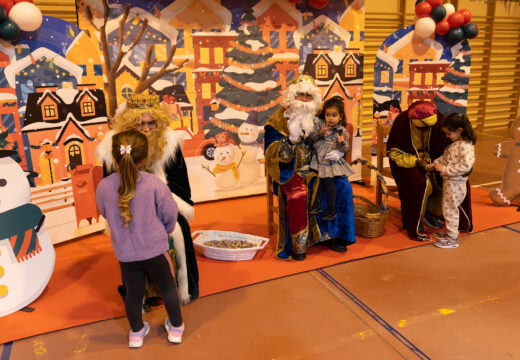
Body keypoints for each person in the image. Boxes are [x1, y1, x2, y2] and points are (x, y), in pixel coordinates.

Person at [96, 93, 198, 305]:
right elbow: (110, 189)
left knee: (181, 228)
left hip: (166, 201)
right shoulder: (112, 145)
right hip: (129, 207)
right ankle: (140, 293)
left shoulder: (170, 142)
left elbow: (180, 181)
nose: (146, 129)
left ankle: (181, 286)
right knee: (129, 230)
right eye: (139, 124)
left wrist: (162, 204)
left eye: (151, 123)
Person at [95, 130, 184, 347]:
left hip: (126, 255)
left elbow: (105, 212)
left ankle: (136, 333)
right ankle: (176, 328)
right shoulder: (154, 183)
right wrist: (166, 230)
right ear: (144, 158)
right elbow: (171, 213)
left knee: (133, 294)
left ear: (114, 156)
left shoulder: (103, 187)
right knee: (168, 288)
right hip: (155, 251)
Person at [264, 75, 356, 261]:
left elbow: (336, 135)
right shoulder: (278, 120)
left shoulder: (318, 115)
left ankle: (334, 236)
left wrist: (339, 151)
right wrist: (290, 141)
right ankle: (298, 246)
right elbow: (270, 153)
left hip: (319, 166)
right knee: (299, 195)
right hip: (291, 172)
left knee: (343, 187)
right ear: (291, 96)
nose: (304, 100)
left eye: (308, 96)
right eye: (300, 95)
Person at [387, 101, 473, 241]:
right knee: (419, 182)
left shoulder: (441, 121)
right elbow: (394, 153)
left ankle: (432, 212)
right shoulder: (402, 122)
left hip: (438, 161)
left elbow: (448, 152)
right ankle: (416, 218)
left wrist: (437, 164)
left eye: (429, 128)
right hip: (407, 163)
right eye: (421, 129)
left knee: (454, 181)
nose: (425, 132)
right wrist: (415, 161)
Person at [426, 113, 476, 249]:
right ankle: (450, 232)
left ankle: (453, 238)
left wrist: (445, 169)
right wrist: (433, 164)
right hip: (450, 183)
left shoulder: (466, 147)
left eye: (449, 134)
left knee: (450, 210)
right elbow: (445, 158)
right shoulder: (454, 144)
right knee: (447, 208)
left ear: (459, 130)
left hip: (456, 184)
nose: (447, 136)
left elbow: (466, 166)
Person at [309, 96, 354, 220]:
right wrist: (319, 133)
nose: (330, 118)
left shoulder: (341, 131)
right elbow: (311, 138)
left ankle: (331, 209)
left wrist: (340, 143)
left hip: (329, 161)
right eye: (328, 115)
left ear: (340, 117)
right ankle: (316, 204)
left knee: (328, 183)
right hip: (318, 159)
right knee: (318, 181)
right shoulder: (321, 125)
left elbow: (345, 148)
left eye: (334, 115)